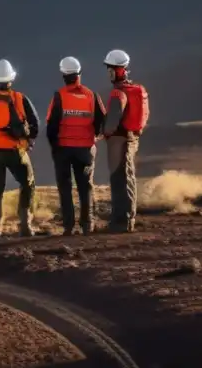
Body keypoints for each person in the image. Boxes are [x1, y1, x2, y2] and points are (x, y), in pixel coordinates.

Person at [0, 58, 40, 237]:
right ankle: (25, 225)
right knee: (27, 183)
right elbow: (35, 123)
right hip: (17, 151)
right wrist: (28, 140)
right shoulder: (21, 98)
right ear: (11, 78)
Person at [46, 56, 105, 235]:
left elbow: (51, 125)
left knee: (65, 187)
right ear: (79, 73)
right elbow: (102, 120)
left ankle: (68, 227)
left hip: (63, 149)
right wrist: (93, 137)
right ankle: (87, 225)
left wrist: (55, 147)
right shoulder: (92, 96)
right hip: (85, 150)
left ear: (64, 75)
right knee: (85, 186)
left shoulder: (59, 96)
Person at [102, 49, 149, 233]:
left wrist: (104, 133)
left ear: (117, 70)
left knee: (119, 180)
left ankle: (121, 222)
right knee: (128, 177)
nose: (109, 72)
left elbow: (112, 121)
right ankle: (128, 219)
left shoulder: (118, 94)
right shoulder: (136, 90)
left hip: (119, 141)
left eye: (110, 68)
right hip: (132, 138)